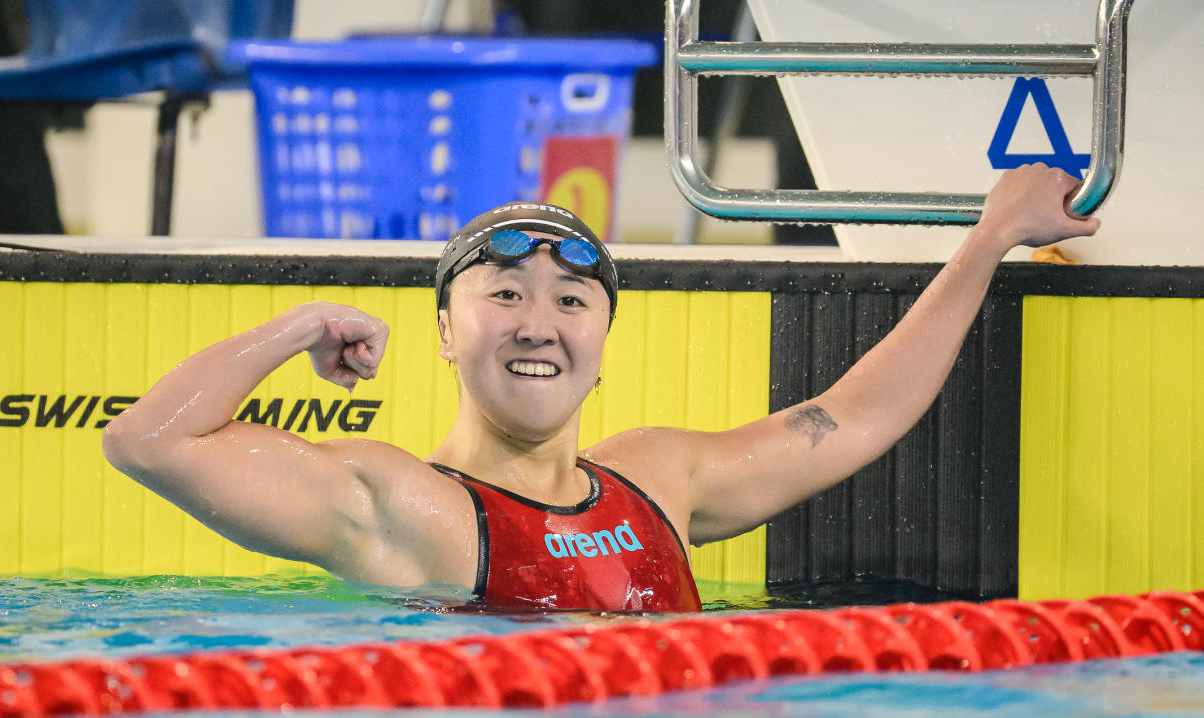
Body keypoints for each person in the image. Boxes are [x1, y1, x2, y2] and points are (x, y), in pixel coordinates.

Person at [103, 163, 1099, 612]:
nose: (539, 321)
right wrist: (300, 327)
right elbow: (150, 443)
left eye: (573, 299)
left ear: (603, 340)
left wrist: (990, 237)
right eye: (504, 293)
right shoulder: (398, 502)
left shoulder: (659, 477)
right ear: (448, 333)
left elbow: (855, 416)